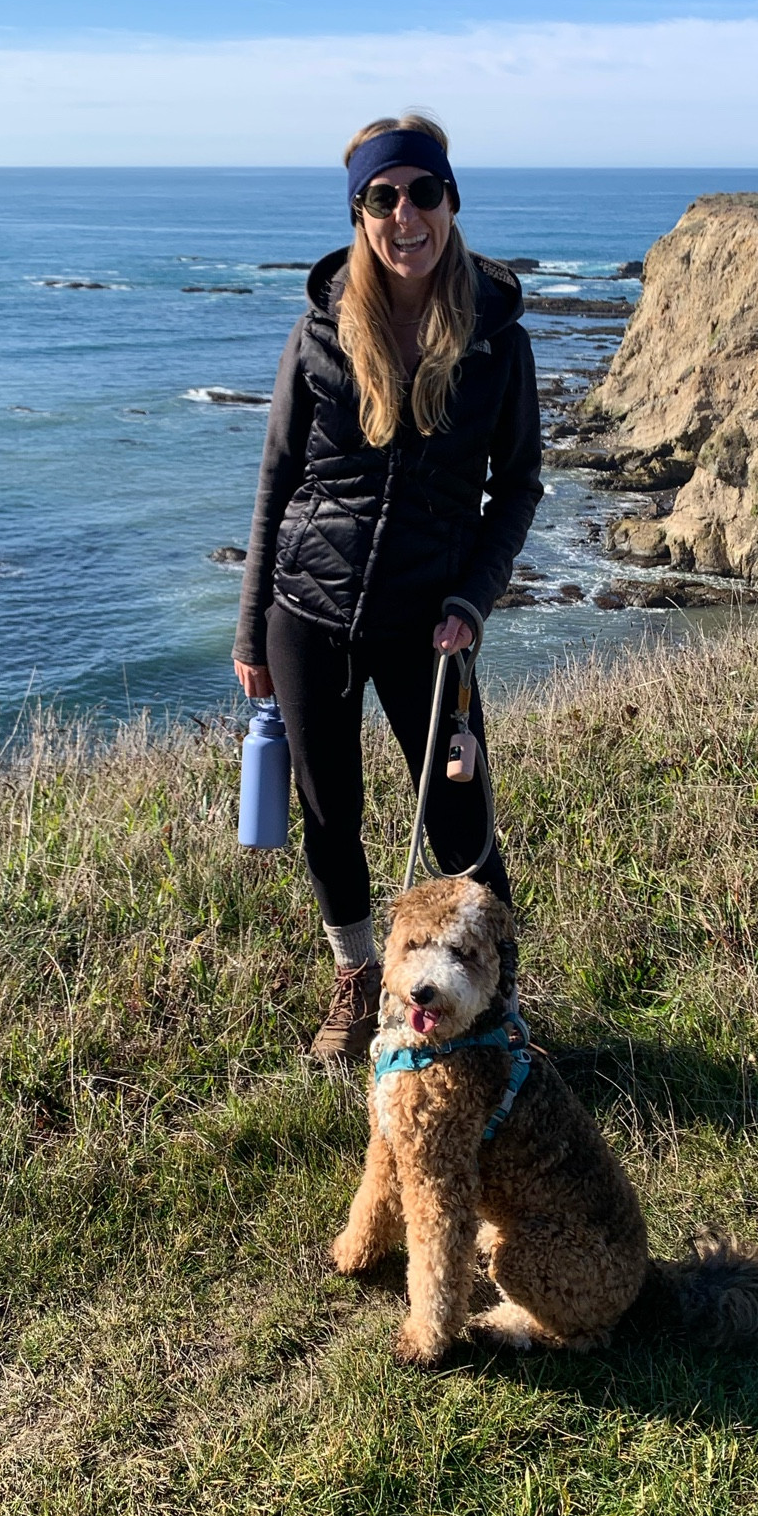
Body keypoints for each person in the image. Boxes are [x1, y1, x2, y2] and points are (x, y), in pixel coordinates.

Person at [233, 113, 543, 1062]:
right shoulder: (319, 332)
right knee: (332, 816)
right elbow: (278, 475)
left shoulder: (496, 339)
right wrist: (252, 628)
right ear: (360, 212)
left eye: (423, 193)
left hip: (432, 625)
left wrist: (470, 601)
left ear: (451, 202)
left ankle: (494, 1004)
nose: (405, 214)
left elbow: (519, 484)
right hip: (309, 612)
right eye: (383, 197)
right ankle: (359, 973)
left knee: (463, 820)